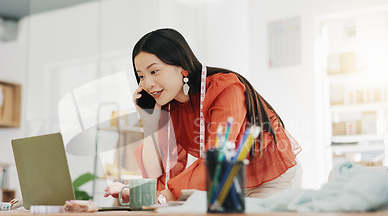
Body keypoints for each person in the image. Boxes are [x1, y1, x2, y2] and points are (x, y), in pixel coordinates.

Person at [104, 28, 301, 203]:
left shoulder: (225, 88)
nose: (147, 83)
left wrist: (165, 195)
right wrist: (150, 123)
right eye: (141, 76)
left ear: (181, 67)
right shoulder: (171, 105)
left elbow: (217, 159)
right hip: (226, 181)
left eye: (154, 71)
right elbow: (156, 173)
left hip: (270, 176)